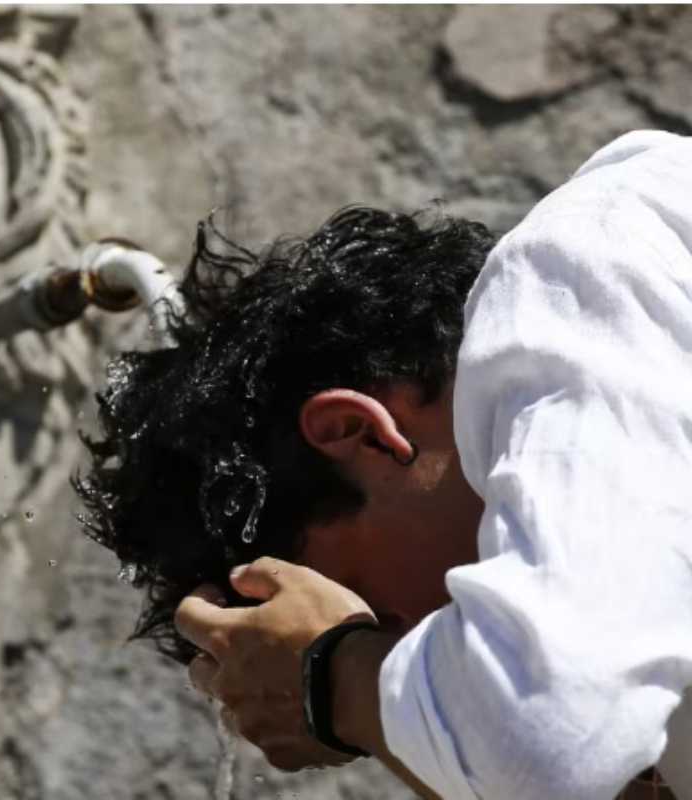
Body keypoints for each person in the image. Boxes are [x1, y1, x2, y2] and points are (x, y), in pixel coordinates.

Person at [74, 129, 692, 799]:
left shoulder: (584, 259)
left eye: (381, 623)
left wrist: (329, 673)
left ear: (361, 435)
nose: (415, 651)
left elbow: (543, 729)